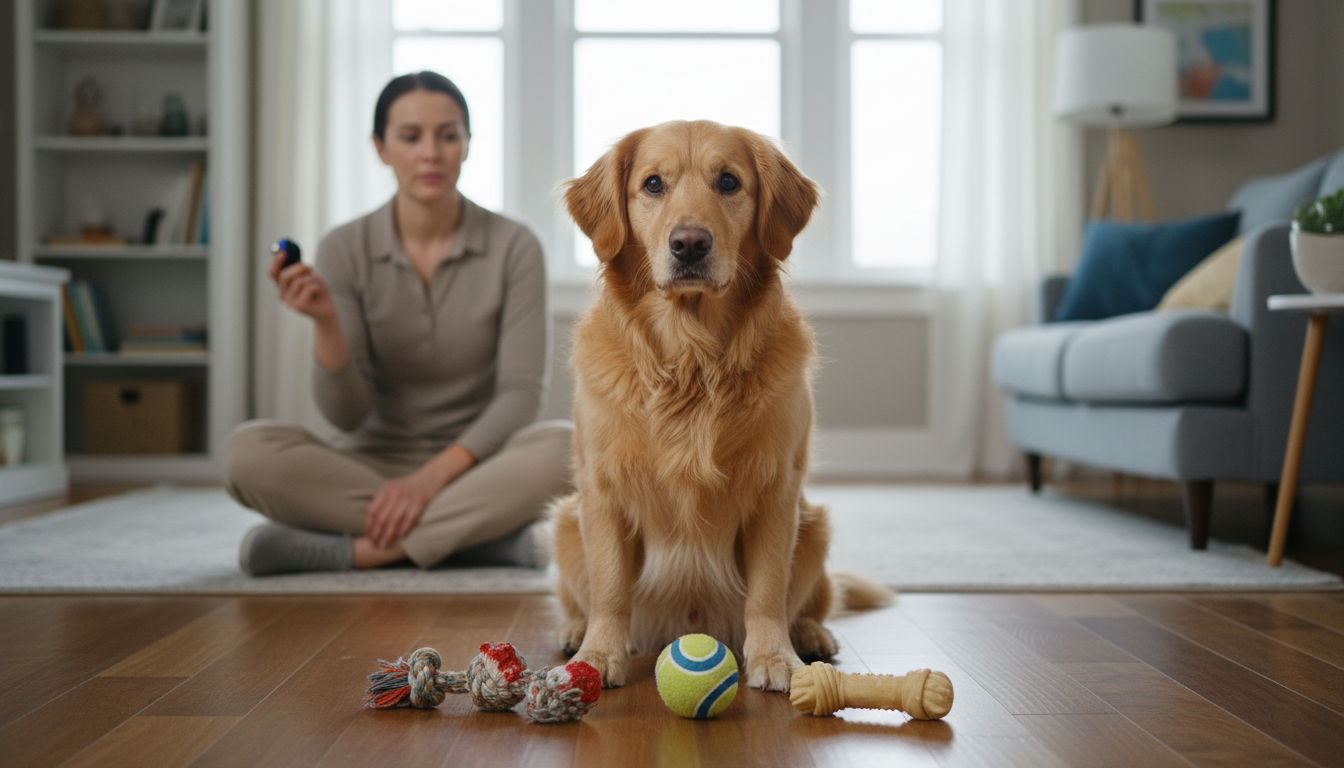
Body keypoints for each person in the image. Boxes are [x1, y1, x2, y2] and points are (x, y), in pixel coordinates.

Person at [224, 71, 573, 575]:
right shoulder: (343, 247)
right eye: (410, 137)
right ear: (381, 148)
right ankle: (478, 542)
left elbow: (520, 396)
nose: (431, 152)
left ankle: (361, 551)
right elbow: (345, 414)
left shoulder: (515, 246)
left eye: (448, 135)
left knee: (566, 447)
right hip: (367, 467)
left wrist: (430, 480)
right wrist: (327, 325)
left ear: (467, 145)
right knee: (246, 451)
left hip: (477, 466)